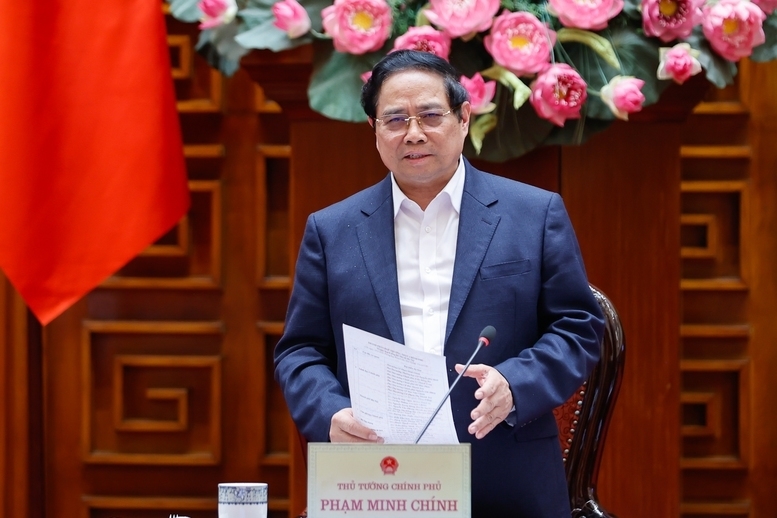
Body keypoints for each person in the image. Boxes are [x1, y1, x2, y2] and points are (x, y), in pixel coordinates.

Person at [274, 49, 605, 517]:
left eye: (431, 115)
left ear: (464, 118)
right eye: (395, 120)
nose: (413, 133)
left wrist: (515, 384)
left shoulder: (534, 214)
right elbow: (300, 351)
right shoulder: (332, 231)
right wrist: (329, 412)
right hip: (376, 481)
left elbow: (579, 328)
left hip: (504, 478)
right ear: (373, 130)